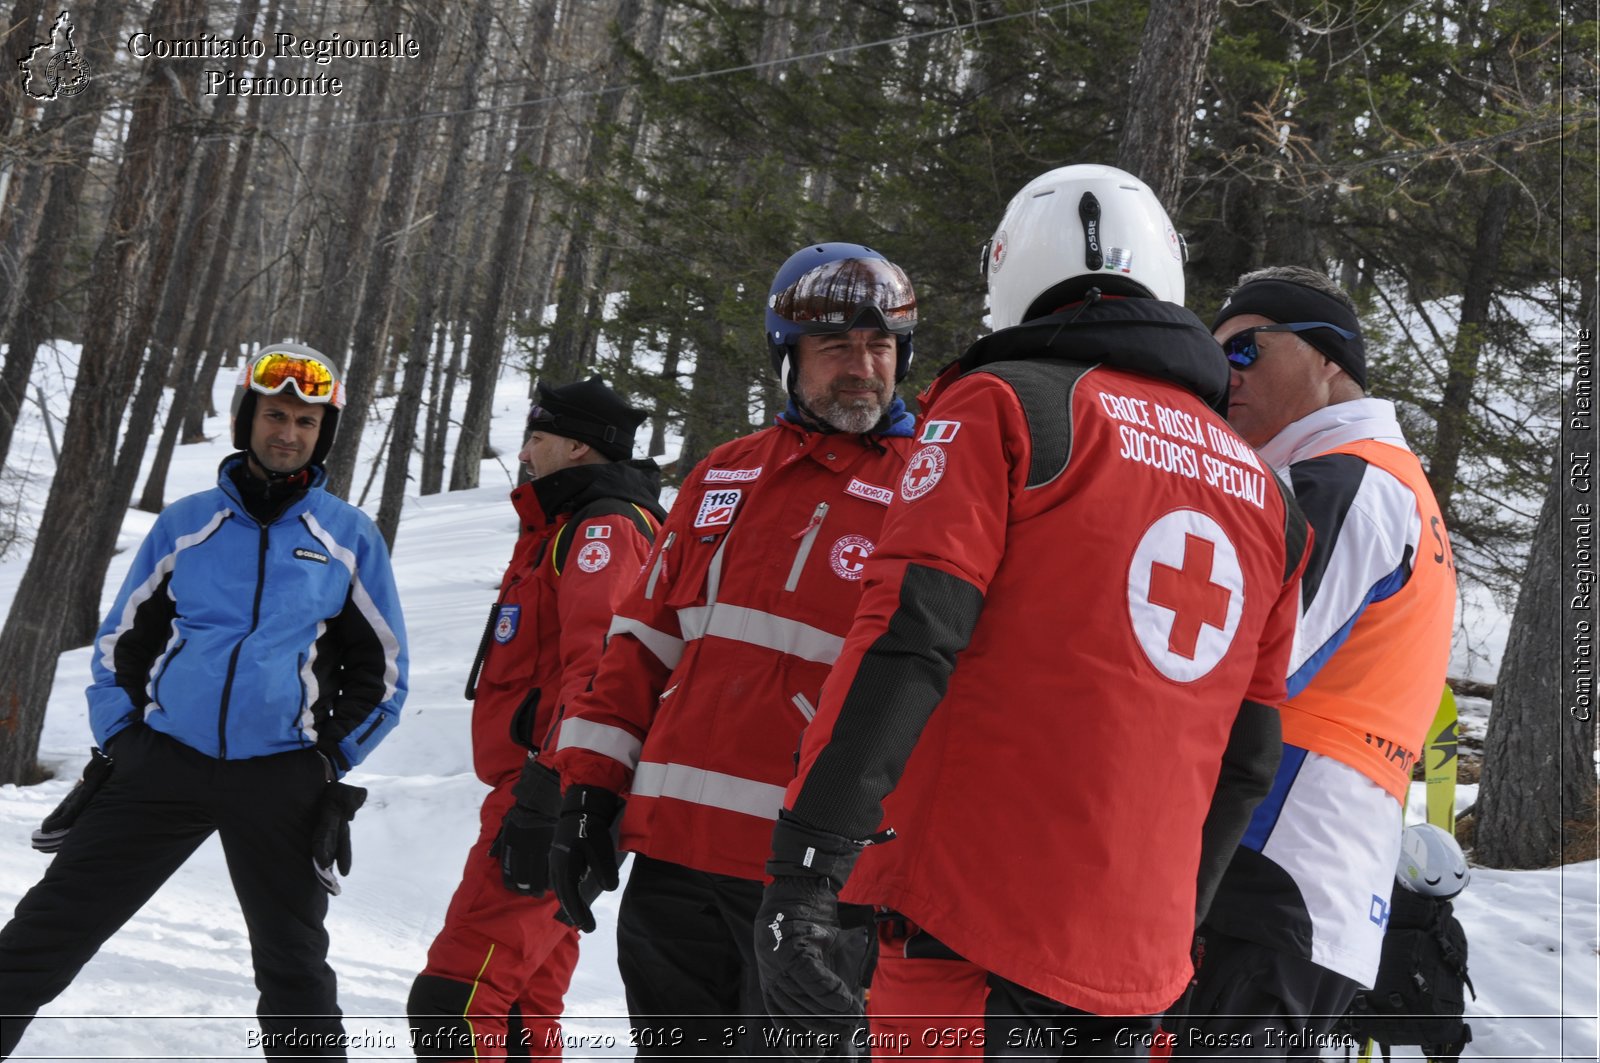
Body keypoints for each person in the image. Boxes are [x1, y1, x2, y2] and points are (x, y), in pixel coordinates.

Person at [749, 164, 1312, 1059]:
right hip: (1135, 965)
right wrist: (1170, 922)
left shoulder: (1002, 404)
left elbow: (909, 633)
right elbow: (1249, 754)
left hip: (968, 929)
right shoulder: (1270, 498)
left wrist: (809, 861)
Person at [544, 242, 922, 1055]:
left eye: (879, 346)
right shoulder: (726, 474)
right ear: (788, 356)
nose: (862, 366)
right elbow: (639, 648)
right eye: (834, 348)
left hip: (816, 882)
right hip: (675, 866)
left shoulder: (929, 488)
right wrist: (586, 797)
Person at [0, 343, 408, 1061]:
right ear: (248, 418)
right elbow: (119, 641)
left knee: (294, 974)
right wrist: (122, 737)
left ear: (323, 434)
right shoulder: (187, 522)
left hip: (280, 779)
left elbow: (385, 670)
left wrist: (326, 760)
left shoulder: (346, 536)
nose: (288, 432)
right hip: (160, 765)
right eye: (275, 414)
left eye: (306, 422)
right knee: (42, 935)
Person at [1163, 267, 1457, 1059]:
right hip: (1307, 880)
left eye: (1249, 349)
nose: (1228, 374)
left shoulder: (1347, 477)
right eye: (1217, 353)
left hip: (1266, 863)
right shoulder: (1391, 483)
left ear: (1330, 360)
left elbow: (1237, 660)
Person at [407, 377, 665, 1060]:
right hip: (548, 791)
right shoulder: (563, 524)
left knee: (454, 1001)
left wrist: (556, 793)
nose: (524, 454)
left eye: (538, 438)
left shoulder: (602, 528)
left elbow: (600, 670)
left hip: (552, 792)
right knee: (522, 1009)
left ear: (577, 445)